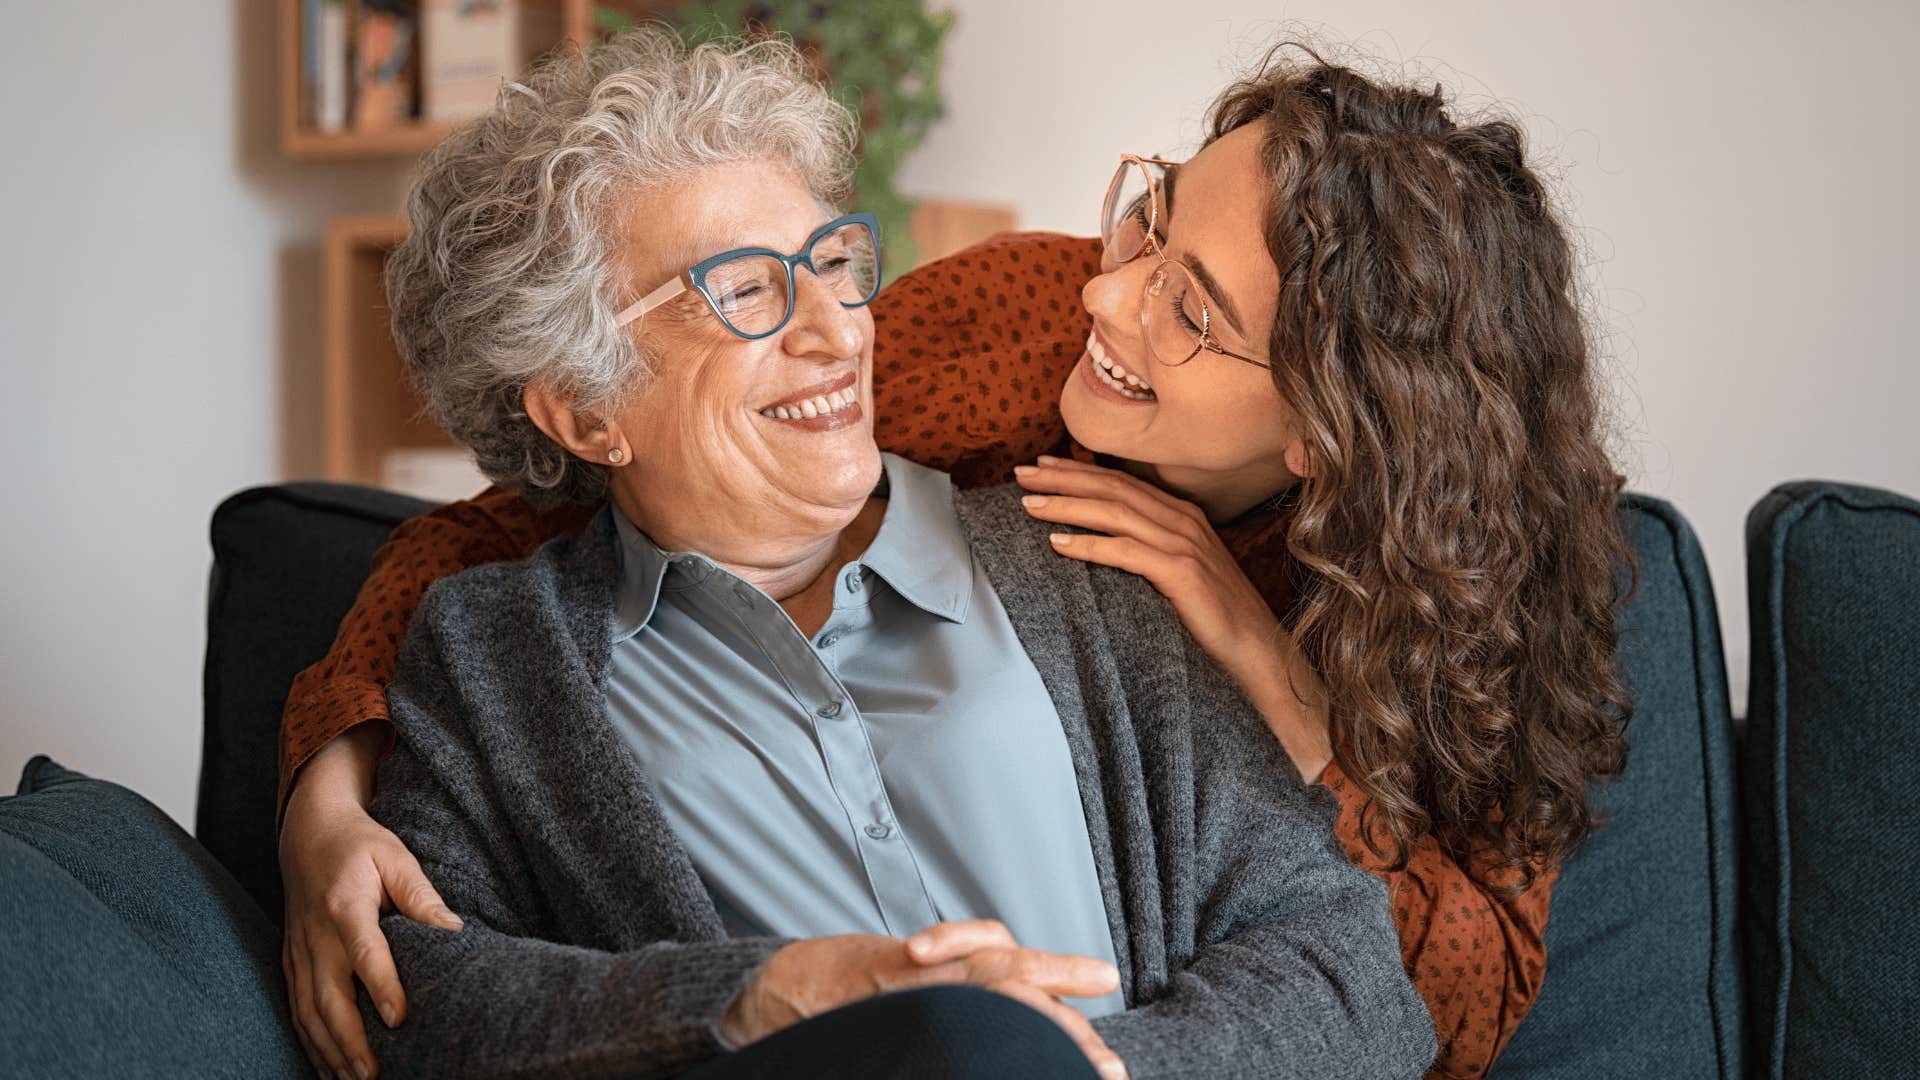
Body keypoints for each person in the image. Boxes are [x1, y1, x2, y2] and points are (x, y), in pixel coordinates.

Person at [278, 35, 1630, 1080]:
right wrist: (324, 788)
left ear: (1329, 436)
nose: (1109, 295)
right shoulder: (1024, 343)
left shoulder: (1122, 588)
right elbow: (515, 523)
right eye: (748, 286)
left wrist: (1272, 687)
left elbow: (1397, 992)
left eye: (830, 264)